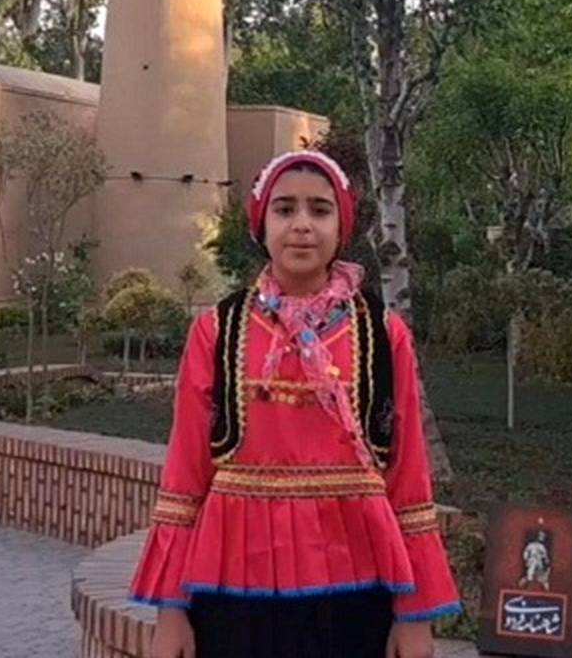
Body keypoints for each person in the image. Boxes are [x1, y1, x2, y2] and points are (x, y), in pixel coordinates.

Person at [129, 150, 461, 658]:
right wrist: (171, 612)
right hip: (234, 582)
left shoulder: (382, 333)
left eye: (320, 210)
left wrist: (413, 614)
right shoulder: (216, 331)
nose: (302, 225)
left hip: (358, 581)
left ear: (341, 226)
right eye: (284, 209)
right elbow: (185, 474)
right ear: (260, 224)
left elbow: (408, 474)